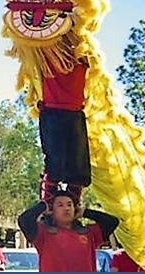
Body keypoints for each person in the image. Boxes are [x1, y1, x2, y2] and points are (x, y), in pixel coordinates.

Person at [18, 190, 119, 272]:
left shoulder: (88, 233)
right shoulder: (43, 233)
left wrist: (85, 212)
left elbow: (112, 222)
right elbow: (23, 220)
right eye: (60, 205)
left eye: (70, 205)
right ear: (52, 211)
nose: (66, 208)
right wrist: (43, 206)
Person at [38, 58, 91, 207]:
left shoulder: (84, 53)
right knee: (55, 162)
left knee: (78, 163)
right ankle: (47, 206)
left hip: (75, 113)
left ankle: (73, 204)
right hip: (53, 111)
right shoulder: (46, 52)